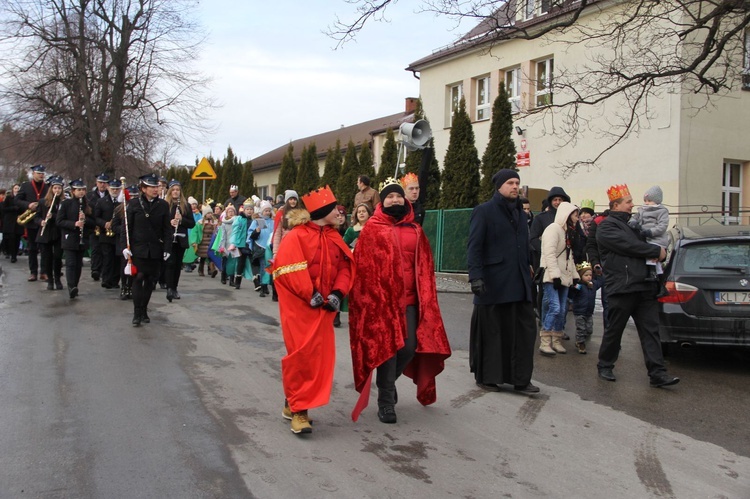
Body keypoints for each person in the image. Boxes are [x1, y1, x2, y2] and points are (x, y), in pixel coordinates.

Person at [350, 178, 451, 424]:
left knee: (408, 347)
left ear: (404, 199)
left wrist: (425, 295)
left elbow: (424, 266)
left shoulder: (415, 229)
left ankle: (388, 383)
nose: (394, 200)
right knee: (387, 351)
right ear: (381, 201)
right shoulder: (372, 229)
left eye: (398, 196)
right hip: (382, 303)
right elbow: (363, 269)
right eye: (389, 197)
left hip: (410, 301)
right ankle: (385, 402)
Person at [272, 186, 354, 434]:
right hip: (300, 309)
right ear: (323, 211)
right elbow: (286, 270)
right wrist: (310, 294)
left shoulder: (334, 236)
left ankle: (293, 404)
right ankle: (299, 411)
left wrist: (338, 293)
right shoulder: (296, 236)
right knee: (301, 357)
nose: (339, 212)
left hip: (324, 307)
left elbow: (345, 267)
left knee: (317, 359)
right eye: (335, 208)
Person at [595, 184, 680, 388]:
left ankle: (657, 373)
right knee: (615, 329)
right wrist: (654, 251)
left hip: (645, 286)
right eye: (628, 202)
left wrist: (659, 249)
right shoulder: (606, 227)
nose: (633, 205)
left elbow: (650, 239)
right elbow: (629, 246)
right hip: (623, 288)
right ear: (616, 205)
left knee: (651, 331)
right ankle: (605, 364)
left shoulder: (635, 225)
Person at [467, 169, 539, 394]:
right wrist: (476, 277)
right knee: (493, 333)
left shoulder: (521, 213)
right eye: (510, 182)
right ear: (499, 186)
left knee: (524, 332)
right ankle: (488, 377)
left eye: (517, 182)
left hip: (519, 283)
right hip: (494, 283)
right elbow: (474, 247)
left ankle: (521, 379)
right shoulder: (484, 211)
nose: (515, 186)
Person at [122, 173, 172, 327]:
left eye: (156, 186)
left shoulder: (163, 205)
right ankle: (137, 312)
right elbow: (127, 228)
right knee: (138, 278)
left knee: (150, 280)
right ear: (143, 189)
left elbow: (167, 229)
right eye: (151, 187)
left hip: (155, 248)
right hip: (138, 248)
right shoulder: (134, 204)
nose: (155, 189)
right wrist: (125, 246)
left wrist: (167, 248)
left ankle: (144, 309)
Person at [538, 201, 579, 356]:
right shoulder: (553, 229)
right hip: (553, 276)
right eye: (575, 215)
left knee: (562, 310)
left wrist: (574, 275)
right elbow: (549, 254)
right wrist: (555, 275)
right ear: (567, 215)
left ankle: (556, 340)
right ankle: (545, 341)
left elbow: (570, 257)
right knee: (554, 307)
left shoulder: (568, 232)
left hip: (565, 276)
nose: (577, 218)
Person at [56, 179, 95, 299]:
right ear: (73, 191)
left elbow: (93, 223)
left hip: (82, 238)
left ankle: (75, 286)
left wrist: (85, 220)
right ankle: (71, 286)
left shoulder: (88, 205)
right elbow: (59, 221)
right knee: (71, 263)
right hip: (69, 238)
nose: (81, 192)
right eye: (79, 190)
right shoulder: (66, 204)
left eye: (83, 190)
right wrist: (74, 224)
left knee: (78, 264)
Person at [15, 164, 50, 281]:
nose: (41, 175)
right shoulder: (26, 186)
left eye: (42, 173)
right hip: (31, 221)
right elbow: (17, 200)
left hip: (43, 221)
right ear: (33, 174)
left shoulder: (47, 187)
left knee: (45, 248)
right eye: (38, 173)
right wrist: (28, 205)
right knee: (32, 248)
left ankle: (44, 272)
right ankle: (33, 272)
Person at [628, 186, 669, 281]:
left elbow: (662, 226)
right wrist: (632, 222)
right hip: (644, 236)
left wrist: (650, 232)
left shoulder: (661, 211)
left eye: (649, 201)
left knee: (652, 253)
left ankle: (653, 272)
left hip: (656, 238)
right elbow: (636, 217)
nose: (646, 203)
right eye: (645, 200)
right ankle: (656, 274)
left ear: (657, 201)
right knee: (647, 253)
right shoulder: (642, 209)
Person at [164, 180, 195, 301]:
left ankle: (174, 288)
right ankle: (169, 288)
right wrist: (169, 222)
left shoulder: (185, 205)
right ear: (170, 191)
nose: (175, 192)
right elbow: (160, 221)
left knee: (177, 265)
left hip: (181, 238)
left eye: (177, 190)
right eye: (173, 190)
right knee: (170, 263)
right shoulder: (165, 204)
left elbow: (192, 223)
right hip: (169, 238)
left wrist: (181, 220)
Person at [36, 175, 65, 290]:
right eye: (55, 188)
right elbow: (36, 217)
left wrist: (53, 216)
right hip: (46, 233)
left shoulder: (63, 203)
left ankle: (57, 278)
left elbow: (63, 218)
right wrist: (41, 221)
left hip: (58, 233)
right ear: (51, 189)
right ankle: (50, 280)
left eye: (59, 188)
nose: (57, 190)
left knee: (57, 257)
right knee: (47, 258)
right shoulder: (43, 202)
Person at [568, 261, 604, 354]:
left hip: (589, 312)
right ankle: (581, 343)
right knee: (581, 329)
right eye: (586, 275)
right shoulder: (579, 286)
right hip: (579, 312)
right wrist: (574, 288)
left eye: (590, 275)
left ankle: (580, 341)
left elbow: (601, 282)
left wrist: (599, 274)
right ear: (580, 276)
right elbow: (571, 295)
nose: (589, 277)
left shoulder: (593, 285)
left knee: (589, 329)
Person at [94, 178, 123, 290]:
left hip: (118, 234)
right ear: (108, 188)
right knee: (107, 257)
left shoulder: (122, 202)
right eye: (113, 188)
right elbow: (96, 217)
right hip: (105, 234)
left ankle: (115, 281)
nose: (115, 191)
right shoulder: (102, 202)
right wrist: (104, 223)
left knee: (117, 259)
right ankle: (106, 279)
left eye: (117, 189)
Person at [87, 172, 111, 281]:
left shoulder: (110, 195)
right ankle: (95, 269)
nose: (102, 185)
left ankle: (103, 270)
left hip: (106, 226)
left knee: (105, 250)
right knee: (95, 249)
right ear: (96, 183)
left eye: (104, 183)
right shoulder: (90, 196)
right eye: (100, 183)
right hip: (93, 225)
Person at [248, 200, 274, 296]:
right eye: (265, 210)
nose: (267, 212)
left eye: (269, 210)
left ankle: (266, 285)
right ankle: (263, 286)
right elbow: (251, 236)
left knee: (270, 267)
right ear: (261, 211)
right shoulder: (256, 222)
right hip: (261, 248)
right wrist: (257, 231)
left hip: (270, 247)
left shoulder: (273, 222)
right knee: (264, 266)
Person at [193, 205, 218, 277]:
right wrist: (195, 241)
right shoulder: (200, 222)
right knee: (203, 257)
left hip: (211, 241)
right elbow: (196, 232)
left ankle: (211, 270)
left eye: (211, 213)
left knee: (211, 256)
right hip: (203, 242)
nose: (210, 215)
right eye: (208, 213)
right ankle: (200, 270)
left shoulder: (214, 222)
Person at [2, 184, 24, 263]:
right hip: (10, 221)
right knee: (11, 238)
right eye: (15, 188)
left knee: (17, 238)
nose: (17, 190)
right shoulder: (8, 198)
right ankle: (12, 255)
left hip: (18, 221)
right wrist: (13, 208)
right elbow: (4, 209)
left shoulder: (21, 199)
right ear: (13, 189)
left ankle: (15, 252)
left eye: (18, 188)